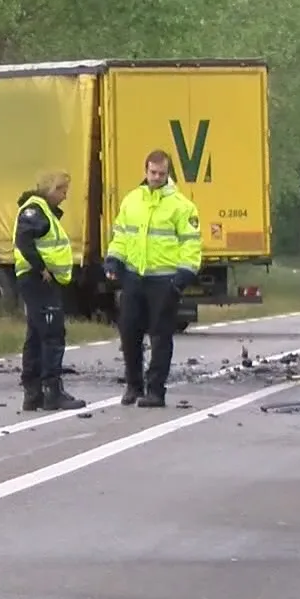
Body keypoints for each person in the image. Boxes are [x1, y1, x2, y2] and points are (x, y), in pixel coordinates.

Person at [104, 150, 203, 407]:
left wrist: (183, 276)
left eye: (161, 173)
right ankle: (133, 385)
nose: (156, 177)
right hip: (134, 277)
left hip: (164, 280)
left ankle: (156, 390)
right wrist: (113, 260)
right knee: (129, 333)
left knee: (160, 336)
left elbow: (191, 244)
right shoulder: (132, 200)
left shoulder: (182, 206)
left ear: (168, 173)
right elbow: (121, 235)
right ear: (145, 171)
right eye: (152, 172)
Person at [12, 170, 86, 412]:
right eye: (62, 190)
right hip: (39, 281)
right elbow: (24, 241)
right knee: (52, 335)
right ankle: (52, 392)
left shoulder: (42, 212)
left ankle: (33, 394)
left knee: (36, 335)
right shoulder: (35, 211)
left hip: (39, 280)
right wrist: (41, 267)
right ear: (50, 190)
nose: (65, 196)